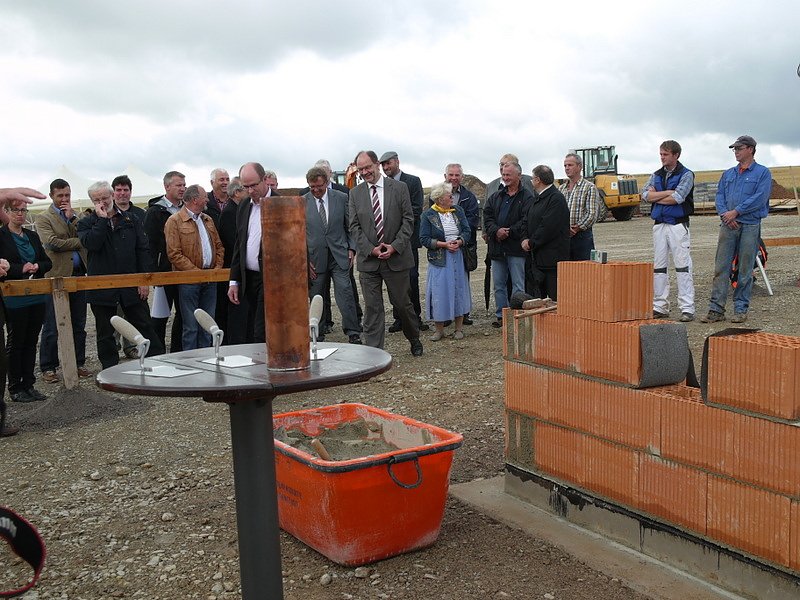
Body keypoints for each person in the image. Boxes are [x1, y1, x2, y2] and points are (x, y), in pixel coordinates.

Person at [77, 182, 164, 369]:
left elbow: (142, 250)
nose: (102, 202)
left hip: (130, 284)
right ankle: (110, 368)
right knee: (105, 331)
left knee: (144, 324)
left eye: (104, 198)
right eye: (97, 200)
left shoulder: (130, 219)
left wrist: (143, 280)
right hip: (101, 287)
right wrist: (101, 220)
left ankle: (157, 361)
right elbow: (92, 244)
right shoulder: (86, 223)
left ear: (112, 197)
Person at [349, 150, 422, 355]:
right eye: (361, 169)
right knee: (373, 308)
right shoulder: (355, 194)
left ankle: (414, 338)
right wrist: (370, 249)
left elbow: (409, 220)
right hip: (369, 261)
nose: (364, 172)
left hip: (396, 258)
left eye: (367, 167)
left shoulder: (399, 188)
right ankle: (374, 352)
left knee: (402, 304)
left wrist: (395, 246)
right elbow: (354, 226)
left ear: (377, 165)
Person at [700, 135, 772, 324]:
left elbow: (760, 198)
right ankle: (716, 310)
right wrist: (725, 214)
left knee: (745, 269)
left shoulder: (762, 173)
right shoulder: (728, 174)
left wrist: (736, 212)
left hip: (749, 225)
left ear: (750, 149)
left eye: (739, 148)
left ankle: (740, 309)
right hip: (728, 225)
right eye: (734, 149)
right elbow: (719, 196)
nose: (736, 152)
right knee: (721, 268)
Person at [34, 179, 91, 383]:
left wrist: (72, 218)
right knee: (52, 325)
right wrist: (78, 242)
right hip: (55, 277)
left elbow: (87, 234)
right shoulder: (43, 218)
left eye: (67, 195)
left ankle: (79, 362)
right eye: (60, 196)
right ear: (52, 196)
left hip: (77, 276)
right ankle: (48, 366)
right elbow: (52, 243)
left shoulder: (75, 216)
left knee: (79, 323)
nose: (64, 199)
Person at [0, 186, 45, 437]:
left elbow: (46, 260)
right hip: (13, 296)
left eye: (23, 210)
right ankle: (15, 387)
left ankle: (29, 384)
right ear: (7, 211)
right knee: (15, 342)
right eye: (16, 210)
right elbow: (6, 265)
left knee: (31, 342)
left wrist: (37, 264)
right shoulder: (2, 236)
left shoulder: (32, 236)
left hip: (35, 294)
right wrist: (21, 268)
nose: (20, 214)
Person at [299, 159, 362, 335]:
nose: (316, 190)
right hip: (315, 259)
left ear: (326, 182)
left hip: (339, 256)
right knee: (317, 297)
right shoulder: (302, 202)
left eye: (319, 186)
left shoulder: (341, 198)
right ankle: (316, 334)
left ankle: (353, 331)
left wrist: (351, 248)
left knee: (345, 293)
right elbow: (299, 235)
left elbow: (350, 226)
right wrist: (305, 259)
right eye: (312, 187)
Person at [641, 140, 696, 322]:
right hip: (659, 225)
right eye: (661, 154)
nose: (662, 158)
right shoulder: (656, 174)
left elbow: (679, 198)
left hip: (677, 225)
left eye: (665, 154)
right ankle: (660, 306)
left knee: (682, 266)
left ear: (676, 155)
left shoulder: (686, 174)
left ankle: (687, 307)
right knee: (659, 267)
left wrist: (657, 196)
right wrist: (667, 193)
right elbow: (645, 196)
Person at [165, 184, 225, 350]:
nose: (207, 199)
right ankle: (191, 363)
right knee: (191, 326)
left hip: (210, 279)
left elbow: (219, 246)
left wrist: (217, 268)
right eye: (204, 196)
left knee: (208, 325)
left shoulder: (208, 219)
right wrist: (196, 274)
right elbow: (174, 254)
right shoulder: (174, 221)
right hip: (188, 281)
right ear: (194, 200)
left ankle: (207, 361)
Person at [379, 151, 428, 333]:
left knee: (411, 279)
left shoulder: (413, 181)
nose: (385, 168)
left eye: (388, 163)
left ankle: (415, 318)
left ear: (397, 162)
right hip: (388, 240)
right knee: (393, 280)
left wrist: (396, 228)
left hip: (408, 239)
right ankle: (399, 319)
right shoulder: (382, 185)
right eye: (383, 165)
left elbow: (415, 210)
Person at [228, 162, 276, 343]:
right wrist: (234, 280)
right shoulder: (243, 206)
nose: (250, 191)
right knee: (249, 328)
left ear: (265, 180)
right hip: (249, 278)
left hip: (271, 280)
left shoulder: (282, 204)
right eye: (245, 187)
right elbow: (239, 244)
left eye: (253, 185)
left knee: (261, 330)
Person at [483, 161, 533, 328]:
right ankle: (501, 316)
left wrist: (509, 232)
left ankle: (516, 316)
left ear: (519, 176)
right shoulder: (496, 196)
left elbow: (526, 220)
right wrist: (496, 231)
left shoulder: (527, 197)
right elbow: (487, 216)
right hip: (497, 248)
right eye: (503, 175)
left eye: (508, 175)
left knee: (518, 284)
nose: (505, 178)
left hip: (516, 248)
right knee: (499, 284)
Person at [419, 182, 472, 341]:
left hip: (457, 257)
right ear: (440, 199)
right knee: (439, 292)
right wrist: (444, 244)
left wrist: (460, 241)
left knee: (458, 290)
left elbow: (467, 231)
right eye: (449, 196)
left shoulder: (458, 211)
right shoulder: (428, 215)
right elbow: (424, 239)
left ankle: (458, 328)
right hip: (439, 260)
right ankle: (439, 330)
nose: (452, 198)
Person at [144, 171, 185, 352]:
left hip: (183, 269)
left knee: (183, 314)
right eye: (178, 185)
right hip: (164, 270)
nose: (182, 188)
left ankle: (178, 351)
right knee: (160, 314)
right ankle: (157, 352)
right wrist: (155, 270)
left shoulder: (186, 209)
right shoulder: (155, 212)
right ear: (167, 187)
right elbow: (150, 243)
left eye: (184, 185)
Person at [521, 165, 570, 300]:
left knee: (555, 300)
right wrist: (524, 238)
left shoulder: (556, 199)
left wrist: (531, 242)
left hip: (552, 261)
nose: (531, 182)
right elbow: (526, 220)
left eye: (532, 178)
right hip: (537, 260)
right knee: (537, 300)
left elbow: (548, 227)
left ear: (538, 180)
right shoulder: (537, 199)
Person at [444, 163, 480, 325]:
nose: (453, 178)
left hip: (463, 246)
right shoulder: (436, 195)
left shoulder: (469, 197)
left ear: (462, 177)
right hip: (442, 246)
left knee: (462, 281)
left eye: (457, 175)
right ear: (445, 176)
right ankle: (445, 315)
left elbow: (472, 221)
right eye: (450, 175)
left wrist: (457, 237)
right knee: (444, 281)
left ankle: (463, 313)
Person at [559, 153, 599, 260]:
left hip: (582, 237)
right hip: (564, 237)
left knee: (584, 270)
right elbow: (557, 212)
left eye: (570, 165)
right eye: (565, 166)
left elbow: (592, 214)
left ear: (580, 166)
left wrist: (576, 228)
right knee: (567, 271)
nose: (567, 168)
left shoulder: (589, 187)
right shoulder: (561, 189)